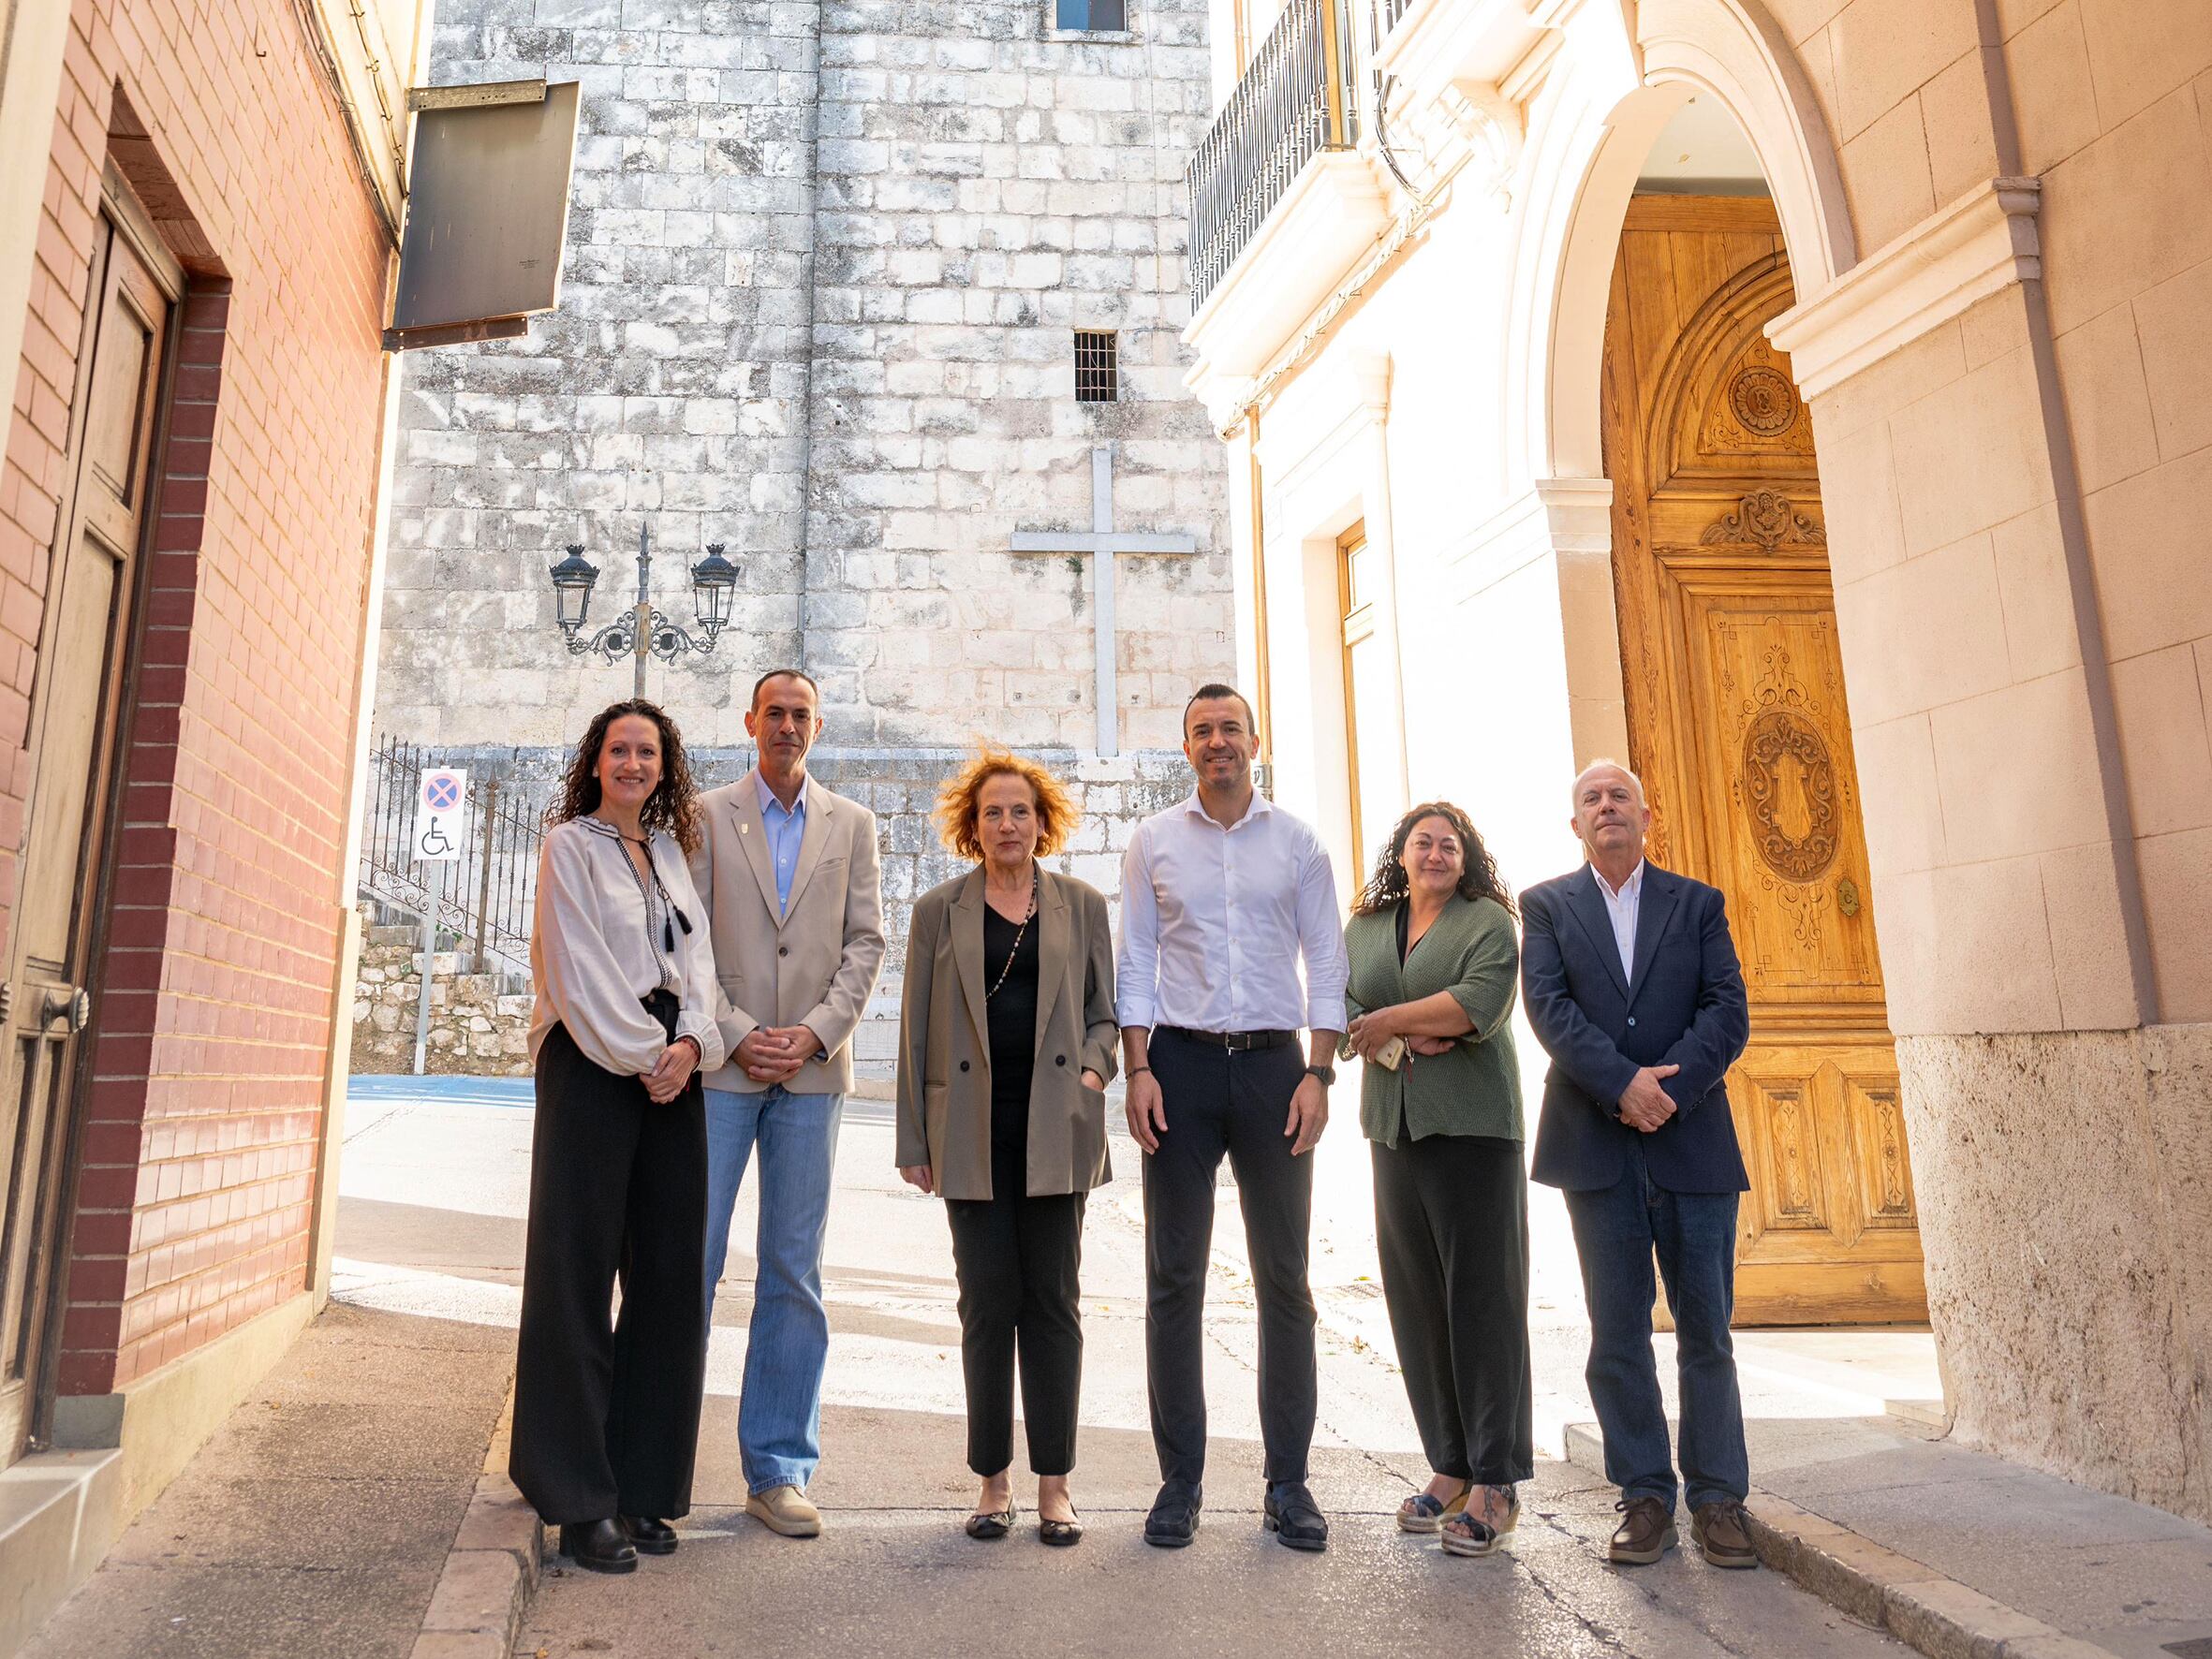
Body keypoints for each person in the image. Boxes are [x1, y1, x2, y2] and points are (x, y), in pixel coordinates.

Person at [1117, 683, 1349, 1552]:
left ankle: (1288, 1483)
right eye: (1202, 732)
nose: (1219, 743)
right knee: (1174, 1278)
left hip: (1272, 1069)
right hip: (1176, 1064)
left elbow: (1325, 960)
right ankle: (1180, 1481)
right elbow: (1135, 958)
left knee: (1284, 1280)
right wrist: (1138, 1069)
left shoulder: (1296, 845)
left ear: (1256, 740)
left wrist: (1319, 1071)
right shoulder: (1154, 842)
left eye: (1231, 730)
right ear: (1188, 750)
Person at [1521, 759, 1757, 1570]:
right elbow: (1547, 1009)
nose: (1606, 806)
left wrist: (1670, 1092)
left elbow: (1728, 1009)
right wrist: (1621, 1084)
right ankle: (1646, 1496)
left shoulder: (1697, 904)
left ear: (1646, 818)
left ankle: (1720, 1500)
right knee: (1617, 1330)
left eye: (1619, 796)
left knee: (1706, 1331)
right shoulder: (1547, 906)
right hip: (1598, 1147)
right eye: (1591, 798)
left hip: (1691, 1144)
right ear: (1576, 825)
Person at [511, 699, 726, 1574]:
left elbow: (702, 970)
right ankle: (577, 1498)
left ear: (665, 766)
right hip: (596, 1062)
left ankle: (642, 1486)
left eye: (648, 751)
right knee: (575, 1270)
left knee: (671, 1275)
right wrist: (648, 1053)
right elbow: (577, 969)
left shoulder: (672, 853)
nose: (633, 763)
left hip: (673, 1065)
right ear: (595, 764)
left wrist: (692, 1045)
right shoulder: (568, 847)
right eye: (618, 750)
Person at [894, 748, 1119, 1547]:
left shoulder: (1082, 905)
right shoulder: (937, 912)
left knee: (1054, 1305)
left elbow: (1104, 1014)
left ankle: (1054, 1484)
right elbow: (917, 1032)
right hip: (972, 1135)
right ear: (972, 824)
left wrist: (1093, 1075)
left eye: (1020, 810)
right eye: (992, 811)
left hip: (1057, 1129)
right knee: (987, 1306)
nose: (1007, 824)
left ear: (1042, 820)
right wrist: (914, 1139)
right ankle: (993, 1482)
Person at [688, 668, 886, 1539]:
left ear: (817, 726)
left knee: (793, 1271)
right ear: (750, 722)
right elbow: (685, 937)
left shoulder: (853, 825)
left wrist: (813, 1034)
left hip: (810, 1075)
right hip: (724, 1071)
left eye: (802, 714)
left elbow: (866, 941)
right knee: (687, 1261)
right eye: (775, 713)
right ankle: (652, 1459)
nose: (788, 726)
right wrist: (733, 1030)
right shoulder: (702, 816)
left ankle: (777, 1469)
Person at [1341, 801, 1532, 1559]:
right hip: (1393, 1127)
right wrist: (1400, 1030)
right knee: (1418, 1303)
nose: (1436, 852)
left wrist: (1394, 1019)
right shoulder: (1363, 928)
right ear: (1402, 852)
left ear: (1466, 857)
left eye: (1450, 844)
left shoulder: (1487, 922)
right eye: (1423, 841)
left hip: (1477, 1130)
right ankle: (1450, 1466)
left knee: (1483, 1301)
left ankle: (1496, 1480)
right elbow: (1348, 1007)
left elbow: (1478, 1002)